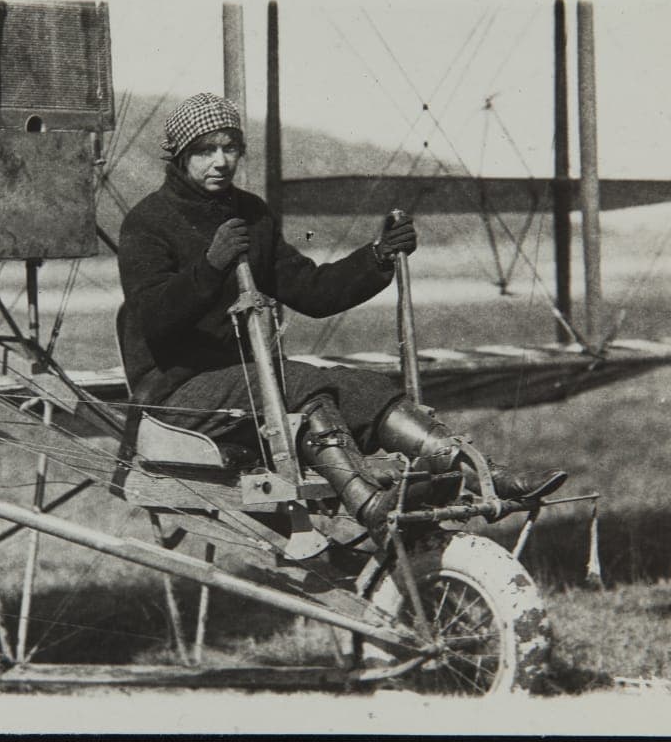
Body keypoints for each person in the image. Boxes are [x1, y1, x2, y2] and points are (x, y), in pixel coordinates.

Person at [117, 93, 567, 540]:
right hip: (175, 395)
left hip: (247, 384)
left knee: (362, 386)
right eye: (204, 150)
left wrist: (377, 255)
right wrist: (209, 267)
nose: (220, 161)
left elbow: (312, 291)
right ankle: (368, 502)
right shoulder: (148, 222)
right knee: (298, 383)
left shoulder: (250, 214)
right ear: (178, 157)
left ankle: (477, 473)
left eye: (229, 147)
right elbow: (153, 320)